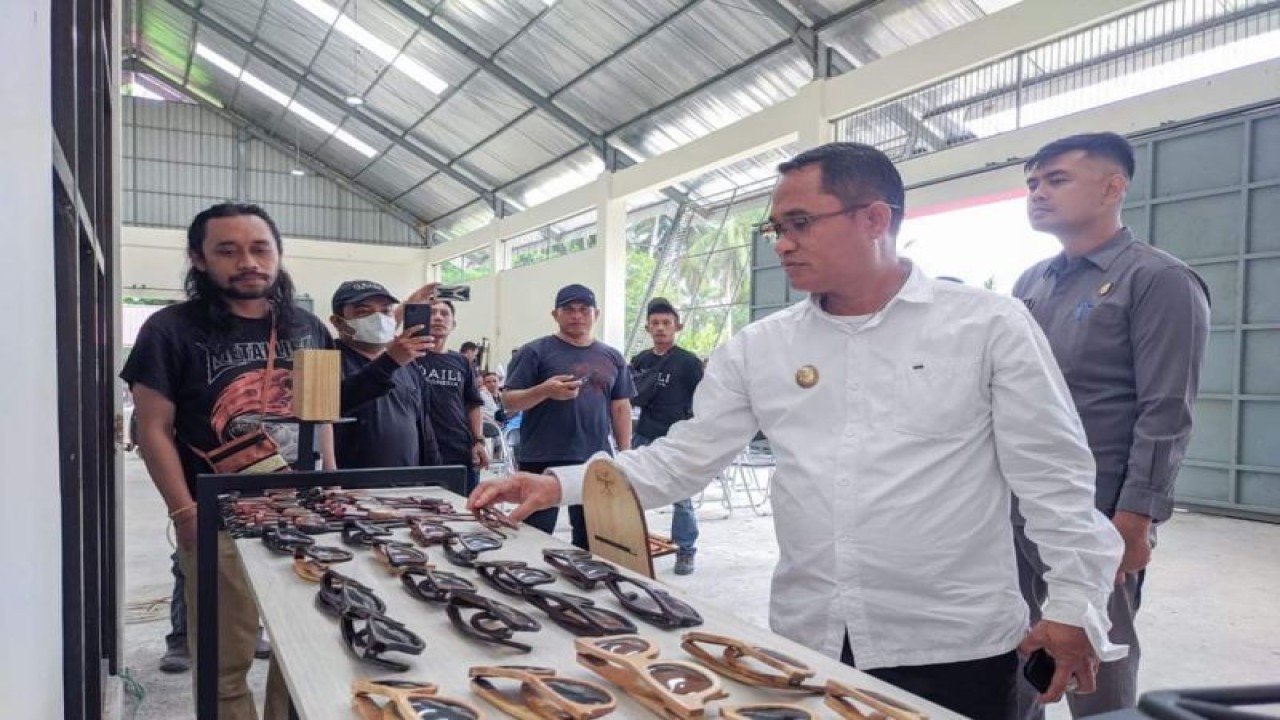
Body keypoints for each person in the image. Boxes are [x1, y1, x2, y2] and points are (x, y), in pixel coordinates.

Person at [470, 143, 1126, 720]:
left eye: (800, 224)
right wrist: (557, 485)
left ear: (875, 219)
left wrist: (1074, 602)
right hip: (810, 637)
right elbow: (682, 461)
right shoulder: (762, 347)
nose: (781, 242)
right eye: (776, 227)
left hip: (955, 643)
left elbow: (1053, 475)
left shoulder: (986, 326)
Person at [121, 202, 349, 719]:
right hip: (218, 519)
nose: (248, 261)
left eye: (259, 247)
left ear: (278, 254)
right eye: (228, 250)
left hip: (304, 515)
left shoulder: (308, 326)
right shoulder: (169, 329)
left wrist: (332, 486)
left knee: (307, 651)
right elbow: (153, 428)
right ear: (198, 259)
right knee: (225, 664)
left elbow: (323, 416)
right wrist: (185, 513)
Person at [1013, 132, 1210, 718]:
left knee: (1096, 656)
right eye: (1032, 183)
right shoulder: (1031, 283)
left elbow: (1167, 409)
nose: (1038, 193)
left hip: (1099, 510)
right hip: (1019, 502)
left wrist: (1136, 519)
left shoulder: (1158, 280)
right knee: (1020, 645)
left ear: (1113, 186)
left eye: (1056, 180)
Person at [500, 284, 635, 550]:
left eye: (584, 310)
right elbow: (509, 401)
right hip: (542, 456)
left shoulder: (612, 357)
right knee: (533, 535)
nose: (577, 316)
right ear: (555, 315)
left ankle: (586, 583)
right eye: (569, 310)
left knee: (592, 536)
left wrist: (626, 454)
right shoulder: (534, 352)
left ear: (596, 314)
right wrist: (544, 391)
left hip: (594, 458)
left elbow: (621, 407)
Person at [329, 280, 442, 469]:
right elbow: (338, 401)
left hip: (406, 485)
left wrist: (436, 474)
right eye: (363, 311)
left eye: (386, 310)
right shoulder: (328, 359)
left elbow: (422, 424)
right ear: (338, 322)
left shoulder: (406, 363)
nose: (378, 318)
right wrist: (389, 362)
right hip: (351, 488)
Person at [630, 297, 704, 575]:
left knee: (681, 497)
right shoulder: (641, 360)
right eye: (655, 324)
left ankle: (686, 550)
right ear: (648, 329)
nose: (661, 328)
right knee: (630, 492)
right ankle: (631, 544)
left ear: (677, 327)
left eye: (666, 323)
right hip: (644, 435)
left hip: (677, 438)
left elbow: (702, 401)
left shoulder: (688, 362)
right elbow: (630, 396)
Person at [411, 297, 488, 491]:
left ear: (453, 324)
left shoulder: (462, 362)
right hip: (419, 449)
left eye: (444, 314)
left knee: (465, 509)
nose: (438, 317)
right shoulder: (409, 358)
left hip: (458, 448)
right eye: (431, 313)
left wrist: (478, 441)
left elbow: (473, 404)